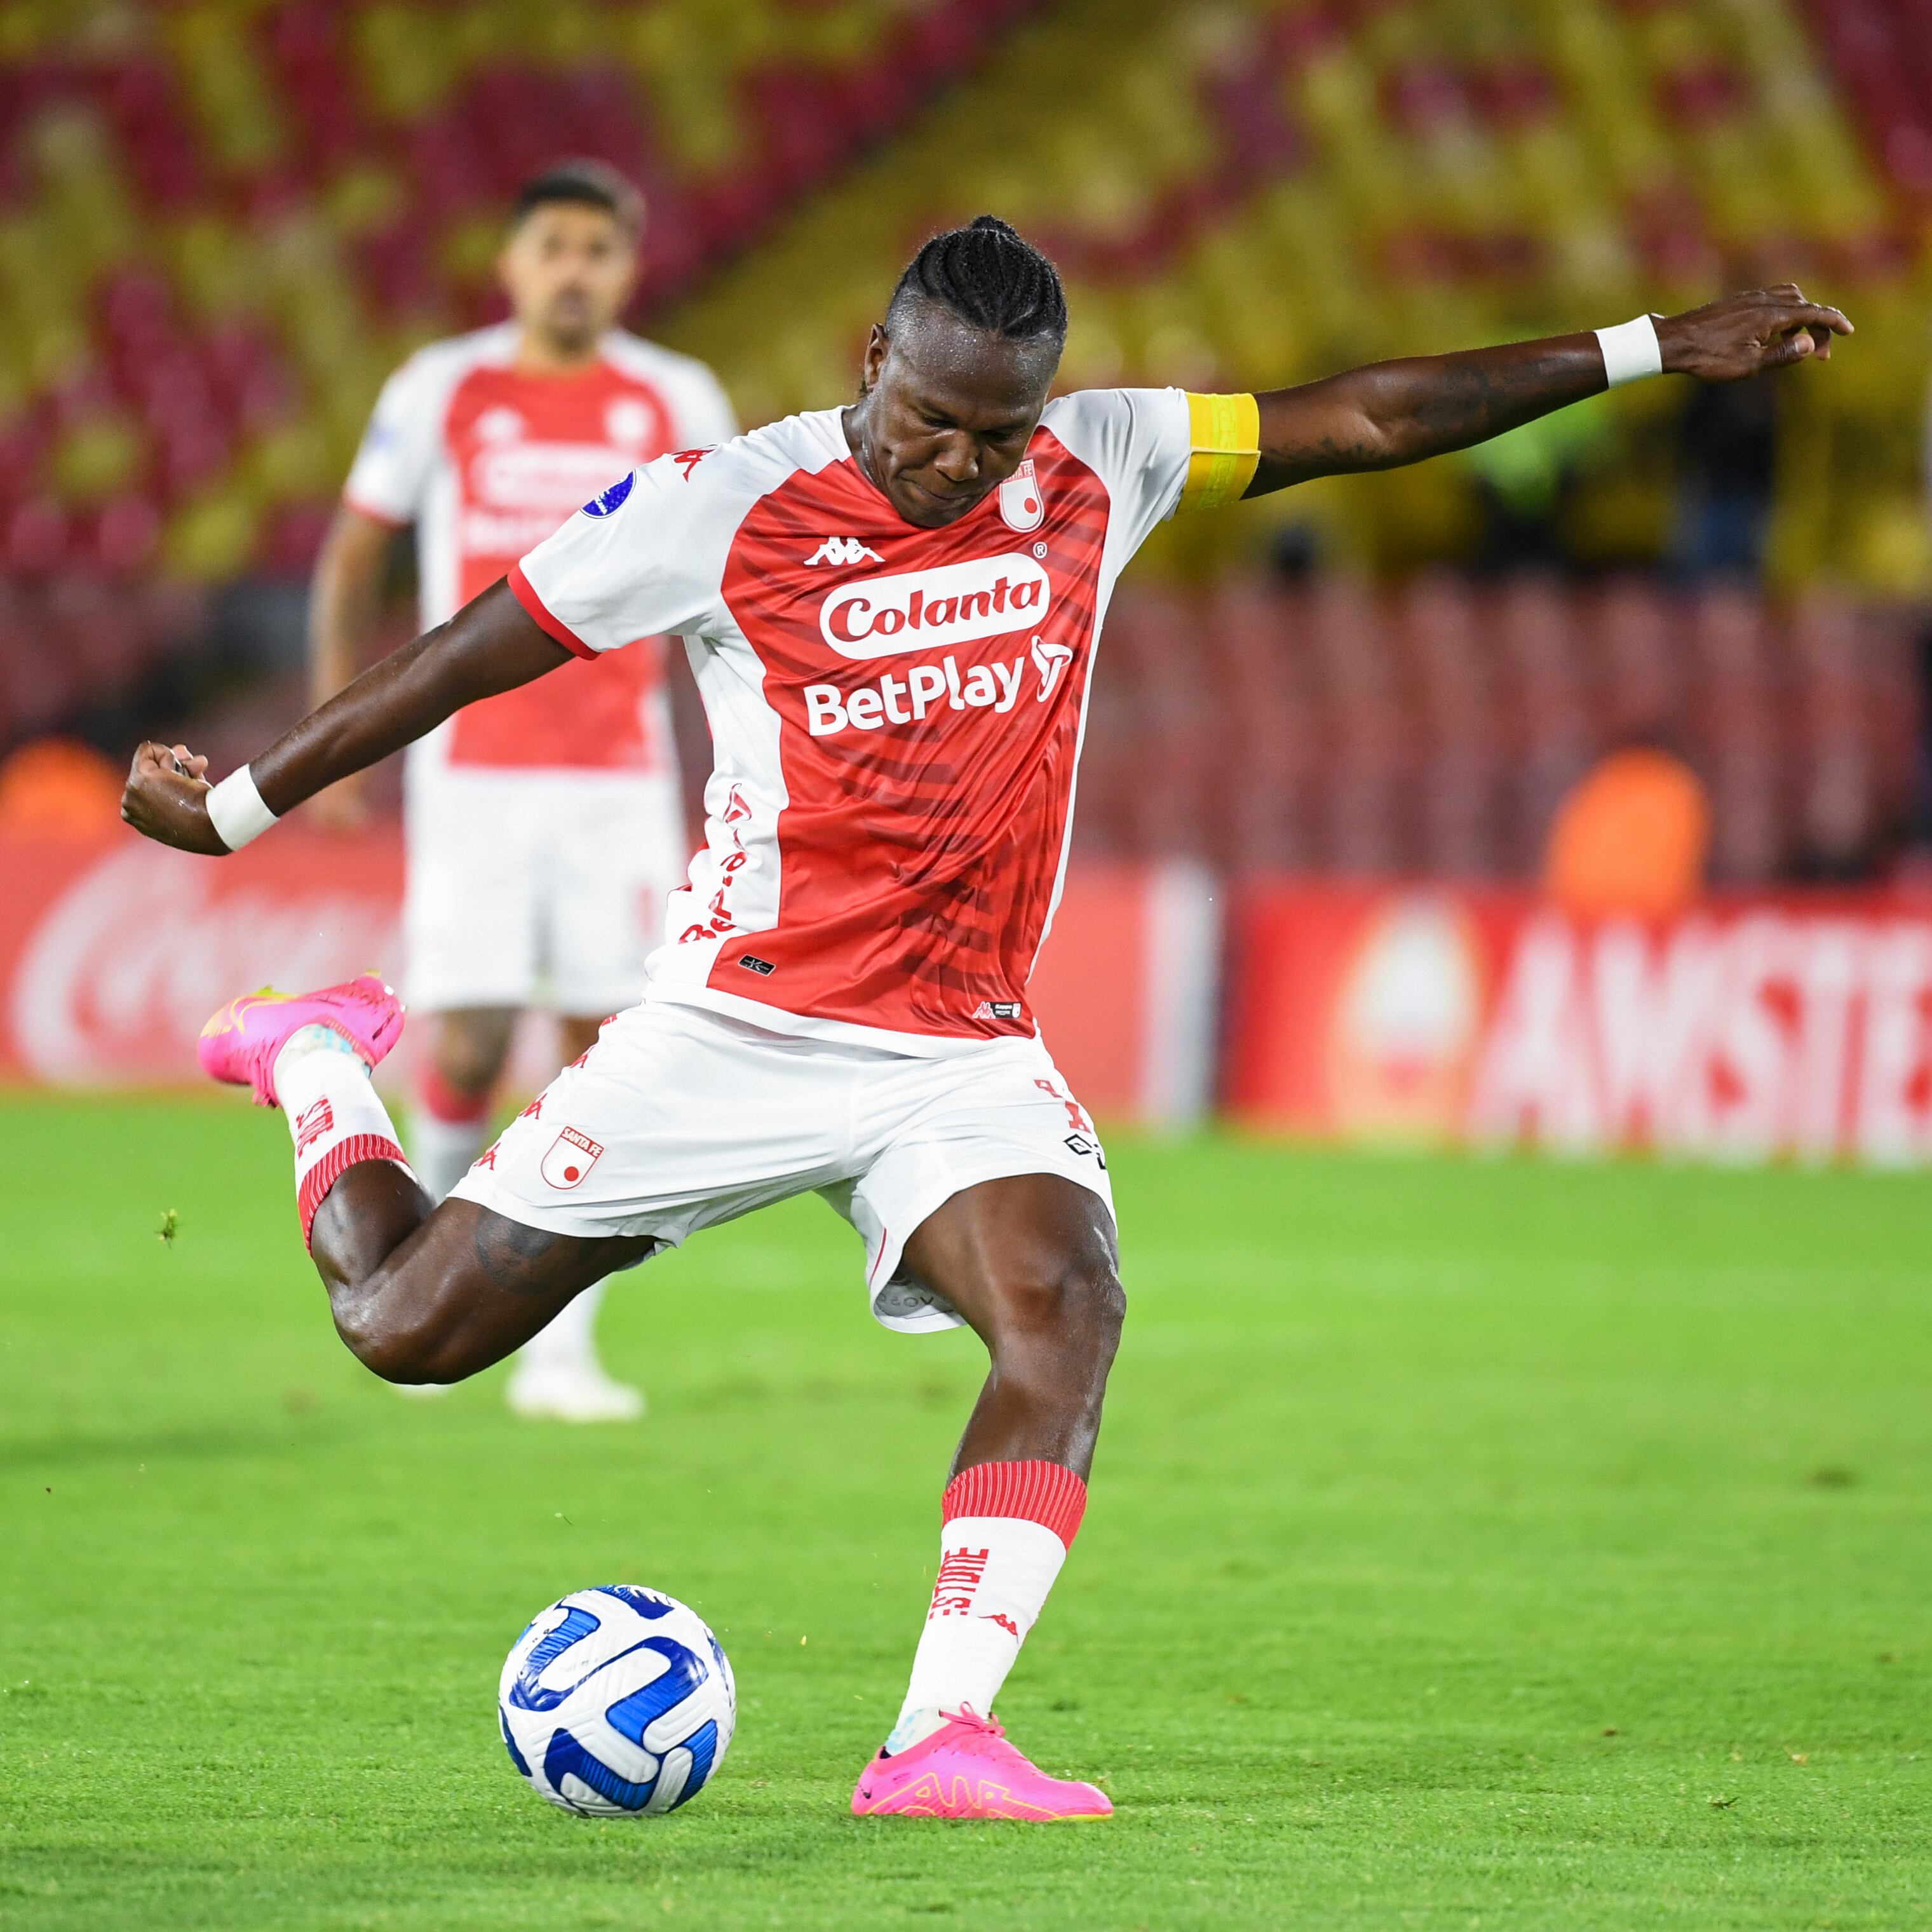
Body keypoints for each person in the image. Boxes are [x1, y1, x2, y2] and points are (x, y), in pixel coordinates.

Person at [123, 219, 1848, 1820]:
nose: (960, 465)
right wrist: (244, 806)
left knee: (1068, 1305)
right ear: (873, 351)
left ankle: (939, 1734)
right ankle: (319, 1059)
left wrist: (1641, 350)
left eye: (994, 438)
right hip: (737, 1027)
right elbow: (472, 654)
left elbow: (1374, 418)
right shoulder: (724, 504)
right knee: (402, 1331)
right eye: (933, 422)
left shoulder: (1101, 458)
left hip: (957, 1048)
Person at [309, 160, 736, 1422]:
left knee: (603, 1047)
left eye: (597, 250)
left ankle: (556, 1347)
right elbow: (352, 560)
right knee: (480, 1031)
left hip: (617, 776)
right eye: (551, 245)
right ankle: (417, 1279)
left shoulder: (677, 394)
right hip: (473, 774)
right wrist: (341, 737)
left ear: (630, 265)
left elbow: (729, 570)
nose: (573, 270)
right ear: (510, 262)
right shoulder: (441, 387)